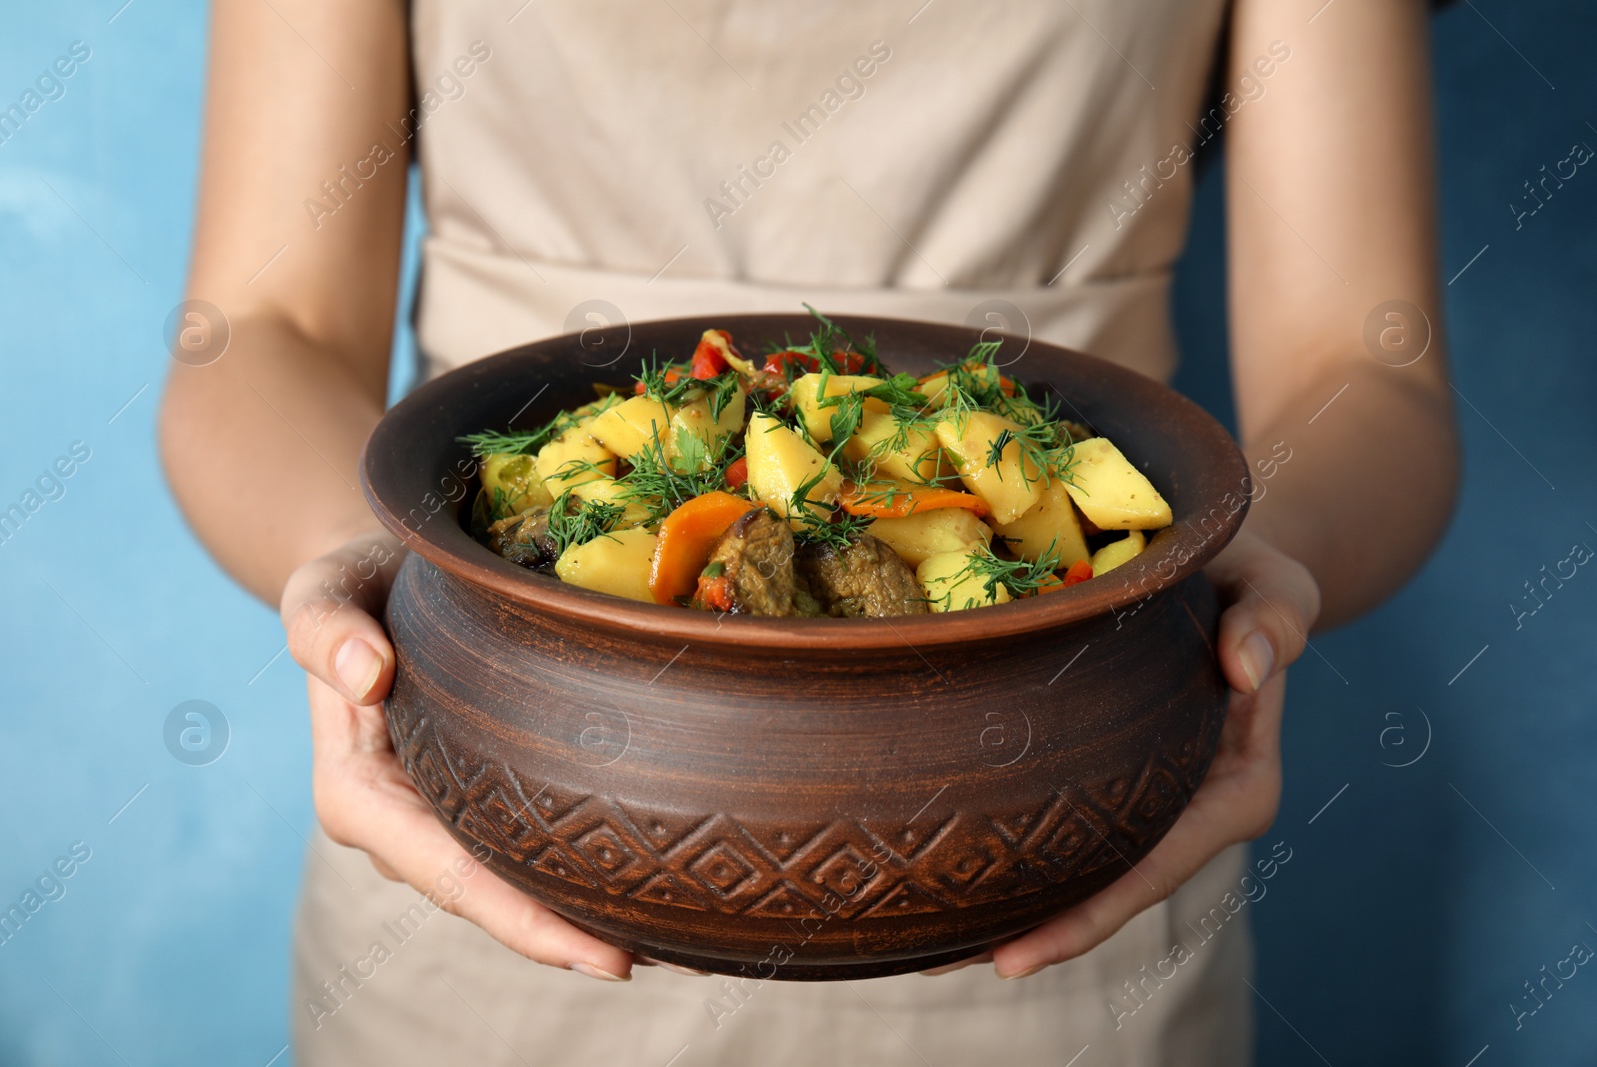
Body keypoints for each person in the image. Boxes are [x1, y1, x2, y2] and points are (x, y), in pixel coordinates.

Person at [159, 0, 1459, 1062]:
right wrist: (369, 584)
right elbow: (259, 335)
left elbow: (1368, 360)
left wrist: (1252, 580)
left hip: (1069, 825)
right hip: (496, 811)